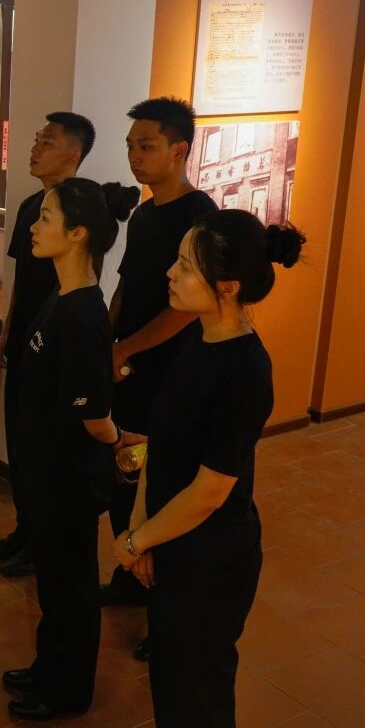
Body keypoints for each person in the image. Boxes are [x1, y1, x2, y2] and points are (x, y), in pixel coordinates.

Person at [113, 210, 305, 727]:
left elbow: (210, 491)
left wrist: (135, 541)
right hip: (171, 539)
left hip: (211, 559)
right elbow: (161, 443)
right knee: (171, 686)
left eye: (185, 266)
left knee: (199, 697)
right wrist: (142, 530)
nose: (170, 273)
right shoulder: (195, 340)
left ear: (227, 287)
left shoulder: (245, 371)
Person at [3, 177, 142, 721]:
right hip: (45, 471)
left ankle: (68, 689)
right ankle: (48, 666)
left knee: (72, 588)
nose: (35, 228)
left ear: (78, 233)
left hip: (67, 480)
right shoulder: (61, 295)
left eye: (46, 217)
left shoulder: (84, 313)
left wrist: (117, 438)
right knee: (54, 582)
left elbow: (92, 414)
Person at [102, 98, 217, 661]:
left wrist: (126, 346)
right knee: (126, 476)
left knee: (164, 486)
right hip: (131, 369)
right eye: (130, 146)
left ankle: (165, 612)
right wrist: (106, 341)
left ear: (179, 150)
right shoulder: (145, 215)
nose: (134, 156)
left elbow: (187, 310)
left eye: (145, 146)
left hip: (171, 373)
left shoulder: (201, 217)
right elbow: (127, 287)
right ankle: (131, 575)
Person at [0, 112, 96, 579]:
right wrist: (8, 330)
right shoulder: (31, 204)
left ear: (72, 154)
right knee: (21, 439)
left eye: (47, 142)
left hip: (54, 344)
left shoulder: (80, 208)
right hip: (25, 339)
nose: (34, 149)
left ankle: (43, 541)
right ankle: (25, 529)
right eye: (36, 139)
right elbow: (22, 279)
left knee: (46, 448)